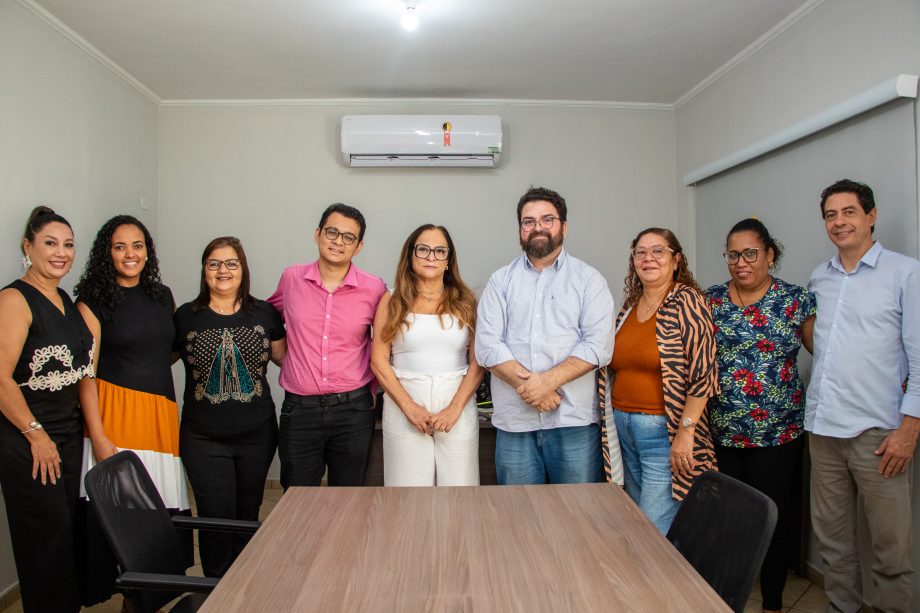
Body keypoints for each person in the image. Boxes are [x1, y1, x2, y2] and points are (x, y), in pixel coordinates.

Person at [806, 179, 919, 613]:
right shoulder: (820, 276)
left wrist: (909, 428)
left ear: (870, 216)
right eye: (831, 215)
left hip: (880, 435)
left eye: (849, 212)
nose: (839, 222)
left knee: (892, 552)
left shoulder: (905, 273)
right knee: (834, 545)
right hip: (824, 429)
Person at [0, 206, 116, 613]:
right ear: (27, 246)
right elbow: (0, 377)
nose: (61, 252)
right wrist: (35, 434)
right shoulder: (15, 299)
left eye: (68, 244)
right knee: (44, 542)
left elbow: (84, 371)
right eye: (50, 243)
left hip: (67, 436)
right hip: (29, 438)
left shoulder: (64, 299)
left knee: (65, 536)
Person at [74, 214, 192, 601]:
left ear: (148, 251)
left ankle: (144, 601)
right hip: (115, 420)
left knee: (155, 516)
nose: (130, 254)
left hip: (158, 418)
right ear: (106, 252)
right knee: (120, 518)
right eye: (120, 246)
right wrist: (100, 436)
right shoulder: (91, 299)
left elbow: (167, 350)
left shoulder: (162, 295)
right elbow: (85, 375)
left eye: (137, 245)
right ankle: (127, 599)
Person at [706, 218, 815, 612]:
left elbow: (825, 353)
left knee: (774, 519)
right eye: (733, 254)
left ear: (770, 254)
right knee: (730, 519)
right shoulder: (711, 300)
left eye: (750, 252)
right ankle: (725, 597)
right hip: (722, 432)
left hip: (778, 434)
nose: (741, 262)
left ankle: (772, 602)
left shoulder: (795, 300)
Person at [475, 186, 615, 485]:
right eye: (529, 221)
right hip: (515, 424)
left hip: (573, 423)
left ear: (564, 226)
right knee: (518, 519)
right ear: (520, 230)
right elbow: (487, 346)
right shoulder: (500, 281)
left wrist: (547, 383)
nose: (538, 226)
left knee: (577, 517)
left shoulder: (589, 280)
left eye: (547, 219)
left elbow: (598, 345)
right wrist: (533, 389)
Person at [174, 237, 286, 577]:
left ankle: (245, 584)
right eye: (214, 264)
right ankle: (216, 591)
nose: (223, 271)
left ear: (243, 269)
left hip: (257, 435)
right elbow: (156, 360)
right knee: (214, 517)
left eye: (231, 263)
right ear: (205, 270)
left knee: (247, 513)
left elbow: (284, 359)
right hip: (202, 437)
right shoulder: (185, 317)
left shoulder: (265, 313)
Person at [268, 203, 387, 488]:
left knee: (348, 501)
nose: (338, 241)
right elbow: (267, 322)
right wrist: (290, 361)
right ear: (318, 234)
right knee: (297, 501)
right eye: (332, 232)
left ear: (358, 247)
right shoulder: (291, 279)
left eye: (349, 237)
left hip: (353, 411)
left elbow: (386, 343)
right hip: (300, 411)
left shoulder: (375, 288)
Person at [609, 227, 718, 534]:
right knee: (635, 517)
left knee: (653, 527)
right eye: (640, 252)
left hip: (663, 431)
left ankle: (661, 582)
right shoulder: (630, 306)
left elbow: (704, 372)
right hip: (624, 427)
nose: (648, 258)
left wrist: (686, 434)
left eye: (658, 251)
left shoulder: (688, 302)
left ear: (676, 260)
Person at [371, 224, 482, 486]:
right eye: (423, 249)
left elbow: (479, 362)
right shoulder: (391, 301)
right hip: (404, 405)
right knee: (406, 496)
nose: (431, 257)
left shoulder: (467, 302)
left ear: (448, 261)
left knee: (460, 494)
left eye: (439, 251)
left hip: (457, 406)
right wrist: (410, 409)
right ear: (410, 256)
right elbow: (378, 360)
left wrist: (454, 409)